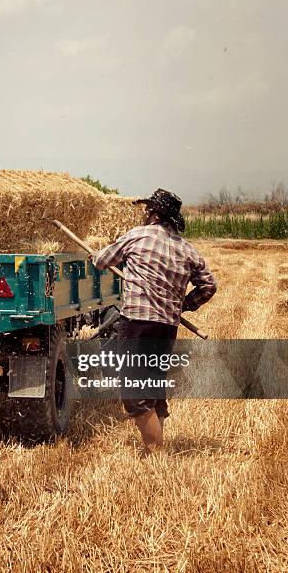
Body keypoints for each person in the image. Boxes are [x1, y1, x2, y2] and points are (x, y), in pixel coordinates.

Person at [92, 188, 217, 455]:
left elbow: (102, 261)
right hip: (167, 327)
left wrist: (95, 256)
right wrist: (184, 304)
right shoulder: (187, 249)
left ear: (155, 214)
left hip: (138, 323)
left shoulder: (138, 236)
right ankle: (154, 454)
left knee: (134, 392)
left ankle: (155, 452)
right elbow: (209, 286)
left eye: (148, 210)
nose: (145, 214)